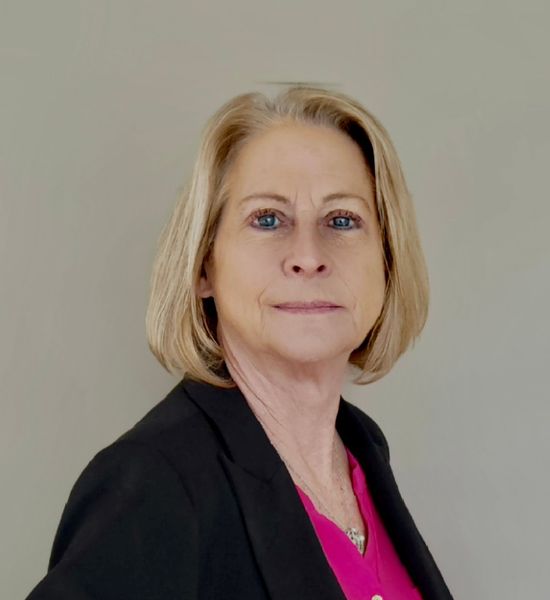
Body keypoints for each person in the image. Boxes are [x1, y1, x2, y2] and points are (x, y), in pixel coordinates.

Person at [26, 85, 454, 600]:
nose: (307, 256)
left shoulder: (363, 447)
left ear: (386, 262)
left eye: (342, 220)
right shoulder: (153, 484)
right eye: (267, 220)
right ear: (204, 264)